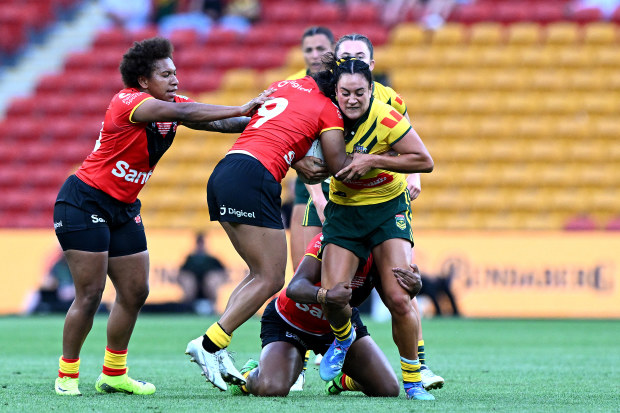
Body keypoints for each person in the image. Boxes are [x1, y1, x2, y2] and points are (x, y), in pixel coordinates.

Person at [52, 37, 272, 397]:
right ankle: (67, 374)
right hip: (84, 202)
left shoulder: (172, 107)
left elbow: (219, 124)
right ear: (143, 81)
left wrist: (264, 117)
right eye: (165, 74)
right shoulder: (128, 102)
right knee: (90, 293)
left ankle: (113, 373)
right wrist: (242, 104)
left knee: (136, 291)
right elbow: (189, 114)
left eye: (175, 73)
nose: (175, 80)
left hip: (123, 208)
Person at [185, 67, 349, 391]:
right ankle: (208, 345)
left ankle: (218, 350)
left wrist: (295, 154)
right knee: (272, 278)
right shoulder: (328, 108)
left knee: (256, 273)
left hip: (228, 169)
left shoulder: (287, 84)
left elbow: (276, 128)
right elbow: (336, 163)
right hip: (255, 177)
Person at [303, 34, 443, 391]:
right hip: (345, 211)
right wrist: (304, 165)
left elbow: (424, 160)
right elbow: (292, 145)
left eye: (359, 93)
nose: (352, 99)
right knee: (335, 295)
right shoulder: (321, 112)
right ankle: (344, 337)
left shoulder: (387, 114)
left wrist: (374, 160)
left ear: (371, 89)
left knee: (399, 295)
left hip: (386, 209)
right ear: (335, 91)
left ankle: (414, 380)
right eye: (345, 93)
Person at [227, 232, 422, 397]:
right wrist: (326, 295)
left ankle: (342, 380)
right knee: (272, 388)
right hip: (291, 322)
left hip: (340, 328)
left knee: (387, 389)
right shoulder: (328, 240)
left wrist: (412, 289)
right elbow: (295, 287)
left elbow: (393, 301)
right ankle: (248, 377)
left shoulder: (380, 254)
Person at [286, 26, 336, 269]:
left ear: (333, 50)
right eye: (309, 50)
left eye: (321, 49)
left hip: (342, 181)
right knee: (301, 268)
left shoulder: (345, 83)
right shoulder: (292, 85)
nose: (315, 55)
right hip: (306, 183)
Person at [178, 232, 229, 315]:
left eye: (202, 243)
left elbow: (224, 274)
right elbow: (181, 274)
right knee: (188, 281)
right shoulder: (190, 259)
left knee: (211, 280)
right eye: (199, 243)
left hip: (208, 286)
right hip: (194, 286)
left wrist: (213, 279)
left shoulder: (213, 259)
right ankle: (188, 307)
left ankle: (213, 307)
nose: (200, 245)